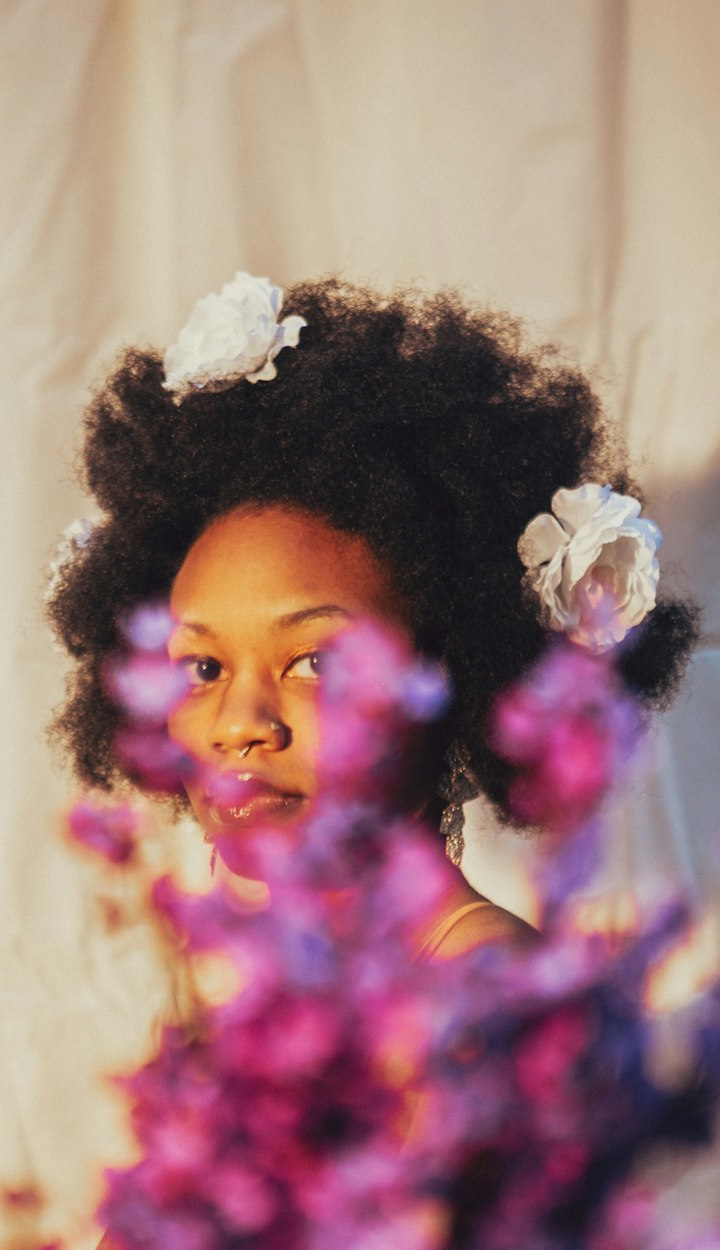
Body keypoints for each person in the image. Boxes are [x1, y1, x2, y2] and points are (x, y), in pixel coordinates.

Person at [47, 272, 696, 960]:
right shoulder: (324, 977)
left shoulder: (475, 999)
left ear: (455, 675)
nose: (239, 726)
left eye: (315, 663)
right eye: (202, 667)